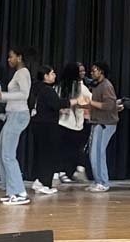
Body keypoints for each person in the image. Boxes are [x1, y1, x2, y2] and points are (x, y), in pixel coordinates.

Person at [29, 65, 87, 195]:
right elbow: (57, 103)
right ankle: (45, 183)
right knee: (48, 155)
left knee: (41, 155)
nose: (54, 75)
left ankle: (39, 181)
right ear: (45, 76)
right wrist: (75, 100)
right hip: (47, 126)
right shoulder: (47, 90)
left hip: (38, 124)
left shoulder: (37, 88)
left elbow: (49, 106)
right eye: (52, 73)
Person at [0, 47, 36, 206]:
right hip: (12, 115)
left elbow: (24, 94)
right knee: (0, 154)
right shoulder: (18, 73)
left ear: (19, 57)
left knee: (8, 155)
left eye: (11, 57)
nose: (8, 60)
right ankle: (10, 190)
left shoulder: (23, 73)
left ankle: (19, 192)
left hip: (18, 115)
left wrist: (2, 96)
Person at [52, 63, 92, 186]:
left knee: (64, 150)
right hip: (70, 123)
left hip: (67, 123)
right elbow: (90, 100)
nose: (82, 73)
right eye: (79, 71)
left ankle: (62, 173)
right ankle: (62, 173)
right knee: (69, 150)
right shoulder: (78, 86)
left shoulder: (60, 86)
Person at [85, 62, 121, 192]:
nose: (92, 73)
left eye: (94, 70)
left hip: (106, 124)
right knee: (94, 153)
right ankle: (98, 180)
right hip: (98, 122)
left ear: (101, 72)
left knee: (98, 153)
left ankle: (103, 182)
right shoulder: (97, 85)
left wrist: (91, 102)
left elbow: (109, 105)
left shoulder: (106, 86)